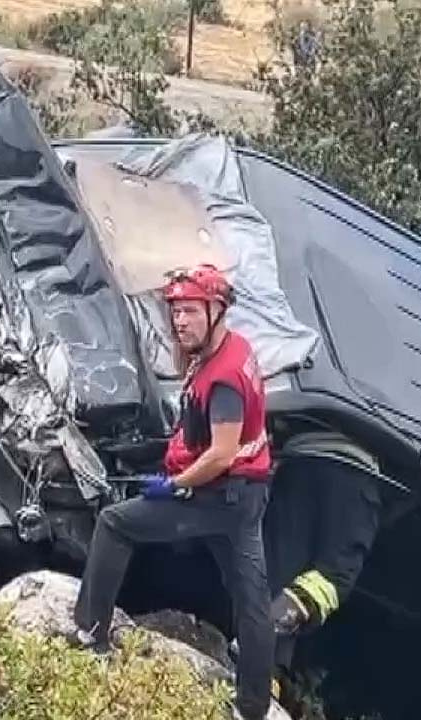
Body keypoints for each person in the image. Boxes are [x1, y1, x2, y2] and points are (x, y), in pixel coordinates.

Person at [70, 263, 276, 720]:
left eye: (189, 311)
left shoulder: (222, 381)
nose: (179, 321)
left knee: (115, 524)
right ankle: (253, 708)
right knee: (251, 599)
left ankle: (89, 633)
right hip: (248, 493)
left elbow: (221, 455)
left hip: (220, 493)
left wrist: (175, 486)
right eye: (175, 311)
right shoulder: (237, 348)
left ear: (216, 310)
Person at [263, 416, 383, 685]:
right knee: (333, 577)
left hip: (298, 462)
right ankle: (261, 641)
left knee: (276, 572)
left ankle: (258, 640)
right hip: (352, 469)